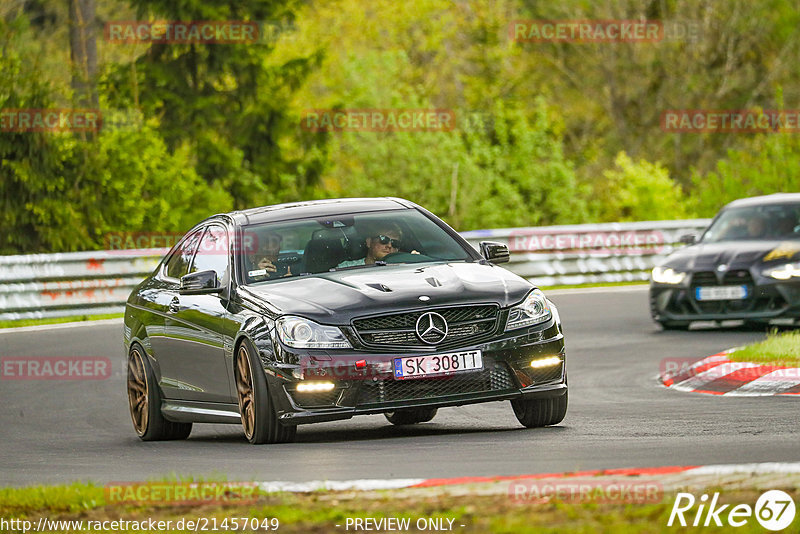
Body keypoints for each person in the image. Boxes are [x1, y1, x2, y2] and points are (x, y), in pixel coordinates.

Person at [337, 223, 404, 267]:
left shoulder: (403, 269)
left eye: (395, 243)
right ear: (369, 242)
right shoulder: (347, 268)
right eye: (384, 239)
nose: (389, 246)